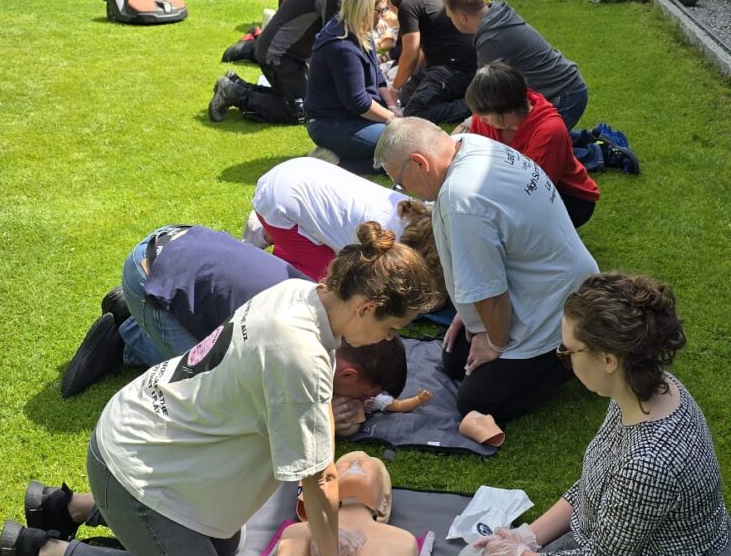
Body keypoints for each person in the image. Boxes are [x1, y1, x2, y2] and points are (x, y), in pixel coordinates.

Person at [0, 226, 437, 556]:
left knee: (225, 543)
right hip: (134, 463)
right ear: (366, 308)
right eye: (391, 327)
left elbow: (305, 413)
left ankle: (68, 507)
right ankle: (42, 552)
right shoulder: (299, 352)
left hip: (148, 438)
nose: (388, 339)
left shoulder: (300, 294)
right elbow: (318, 479)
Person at [450, 272, 731, 556]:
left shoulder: (649, 462)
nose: (562, 357)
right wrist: (525, 539)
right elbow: (591, 482)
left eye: (569, 350)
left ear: (608, 359)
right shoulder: (644, 392)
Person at [60, 225, 408, 425]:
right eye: (365, 396)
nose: (389, 334)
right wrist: (327, 417)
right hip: (150, 267)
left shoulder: (330, 300)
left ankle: (135, 318)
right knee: (210, 390)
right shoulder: (298, 338)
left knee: (221, 346)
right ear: (348, 374)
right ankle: (128, 337)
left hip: (177, 240)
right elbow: (258, 408)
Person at [375, 118, 598, 424]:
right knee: (455, 359)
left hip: (553, 305)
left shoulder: (461, 198)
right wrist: (467, 314)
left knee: (477, 403)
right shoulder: (473, 146)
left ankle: (569, 355)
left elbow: (491, 295)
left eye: (399, 181)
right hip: (544, 282)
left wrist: (494, 341)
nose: (404, 190)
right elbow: (488, 260)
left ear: (419, 163)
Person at [208, 0, 389, 125]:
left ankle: (236, 85)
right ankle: (234, 92)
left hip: (288, 53)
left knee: (306, 100)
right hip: (279, 56)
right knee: (305, 111)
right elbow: (338, 47)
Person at [249, 155, 448, 299]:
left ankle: (276, 232)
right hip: (280, 199)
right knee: (331, 286)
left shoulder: (420, 210)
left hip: (299, 173)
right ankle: (268, 241)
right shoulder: (391, 249)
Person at [463, 62, 600, 229]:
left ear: (507, 111)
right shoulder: (485, 119)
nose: (478, 118)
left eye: (484, 114)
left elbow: (534, 190)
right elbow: (471, 157)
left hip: (566, 196)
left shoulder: (549, 131)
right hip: (513, 186)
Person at [443, 0, 588, 130]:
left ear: (462, 18)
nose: (451, 21)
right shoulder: (497, 15)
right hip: (568, 87)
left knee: (533, 146)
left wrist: (468, 123)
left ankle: (595, 151)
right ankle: (591, 142)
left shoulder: (492, 40)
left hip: (564, 95)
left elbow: (485, 94)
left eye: (450, 17)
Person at [304, 0, 398, 172]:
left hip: (354, 117)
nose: (383, 16)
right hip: (332, 123)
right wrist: (393, 120)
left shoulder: (359, 31)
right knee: (400, 147)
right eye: (381, 10)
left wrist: (392, 107)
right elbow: (358, 102)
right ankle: (333, 162)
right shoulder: (343, 47)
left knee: (405, 139)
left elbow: (378, 77)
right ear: (366, 9)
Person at [387, 0, 478, 124]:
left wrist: (394, 90)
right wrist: (416, 80)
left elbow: (410, 54)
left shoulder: (408, 5)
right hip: (456, 62)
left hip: (455, 68)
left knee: (414, 112)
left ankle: (472, 106)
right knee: (407, 98)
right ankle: (459, 94)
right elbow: (423, 49)